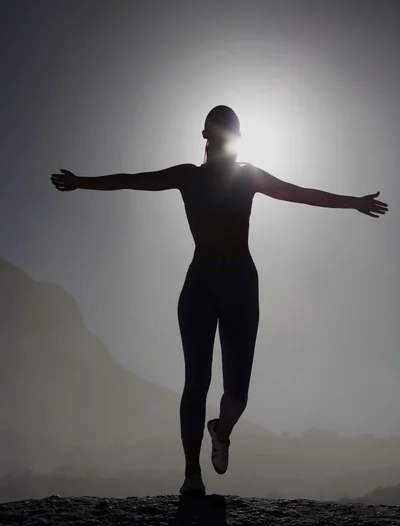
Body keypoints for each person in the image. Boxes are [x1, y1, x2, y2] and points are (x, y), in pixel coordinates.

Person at [51, 105, 388, 496]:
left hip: (242, 284)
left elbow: (300, 194)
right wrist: (81, 182)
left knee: (237, 395)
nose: (227, 138)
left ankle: (221, 431)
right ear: (206, 136)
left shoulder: (248, 177)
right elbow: (131, 180)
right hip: (201, 283)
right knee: (196, 382)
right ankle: (191, 474)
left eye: (233, 132)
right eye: (221, 130)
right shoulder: (187, 176)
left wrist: (353, 201)